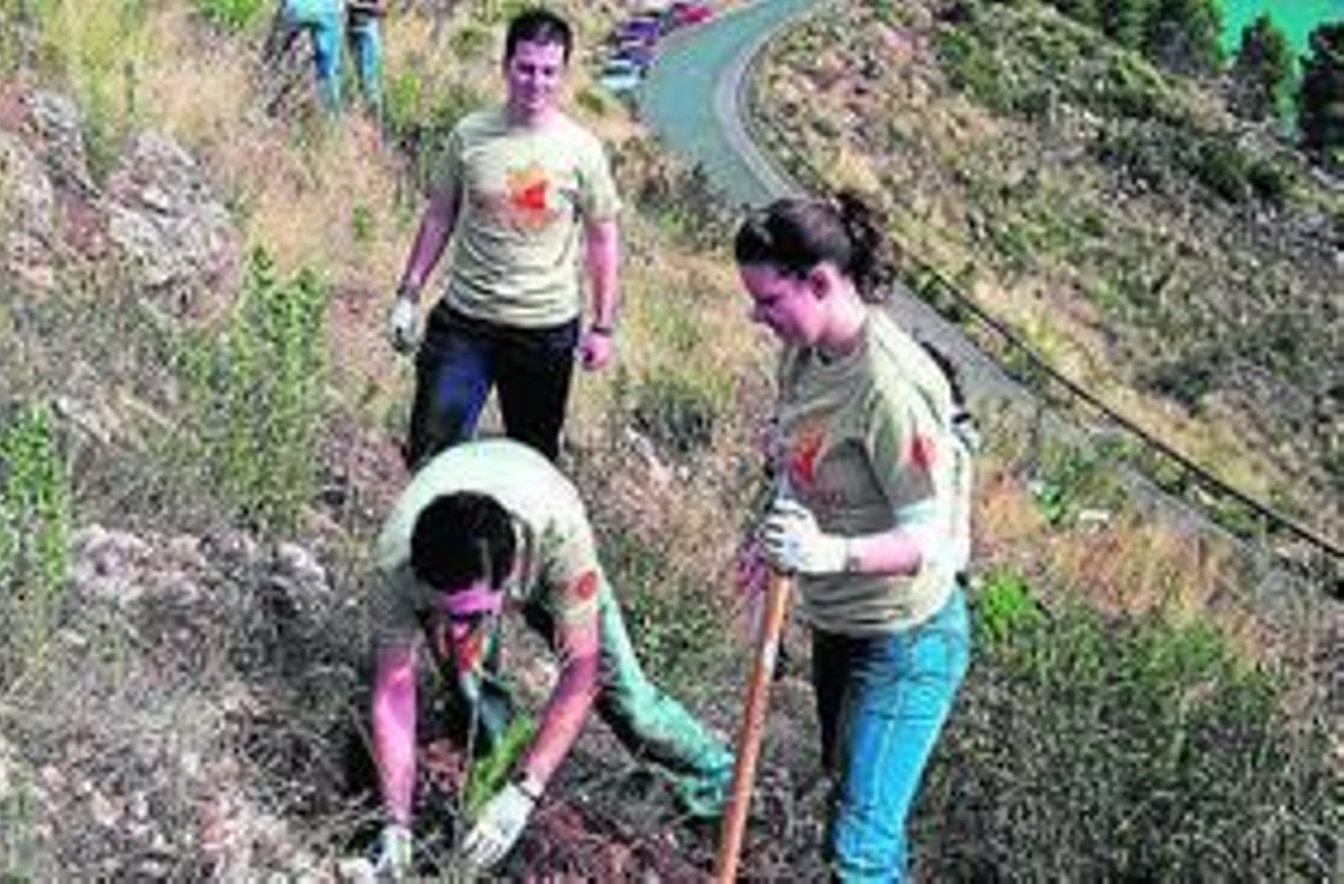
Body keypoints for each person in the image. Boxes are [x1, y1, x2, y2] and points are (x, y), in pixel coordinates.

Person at [733, 194, 973, 882]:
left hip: (907, 638)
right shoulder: (804, 356)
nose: (758, 316)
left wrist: (827, 553)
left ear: (821, 282)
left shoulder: (891, 387)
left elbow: (927, 538)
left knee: (858, 851)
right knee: (858, 812)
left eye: (769, 299)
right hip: (840, 622)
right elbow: (796, 459)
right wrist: (770, 534)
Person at [366, 439, 734, 876]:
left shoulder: (560, 541)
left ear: (510, 577)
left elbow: (581, 669)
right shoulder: (396, 566)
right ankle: (491, 787)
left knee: (632, 705)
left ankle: (723, 788)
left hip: (538, 501)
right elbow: (392, 693)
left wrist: (527, 791)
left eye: (470, 614)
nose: (457, 630)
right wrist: (395, 822)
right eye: (443, 613)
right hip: (460, 509)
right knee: (471, 684)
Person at [386, 8, 622, 467]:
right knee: (431, 455)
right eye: (527, 68)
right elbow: (439, 217)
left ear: (564, 74)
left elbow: (602, 238)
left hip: (544, 332)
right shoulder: (469, 135)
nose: (537, 83)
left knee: (531, 469)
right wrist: (409, 292)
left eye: (549, 72)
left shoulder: (582, 150)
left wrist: (603, 325)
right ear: (506, 66)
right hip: (466, 322)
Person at [345, 0, 385, 120]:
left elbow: (380, 9)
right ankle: (366, 121)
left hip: (367, 27)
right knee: (359, 78)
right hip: (353, 28)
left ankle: (373, 124)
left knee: (370, 82)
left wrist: (353, 5)